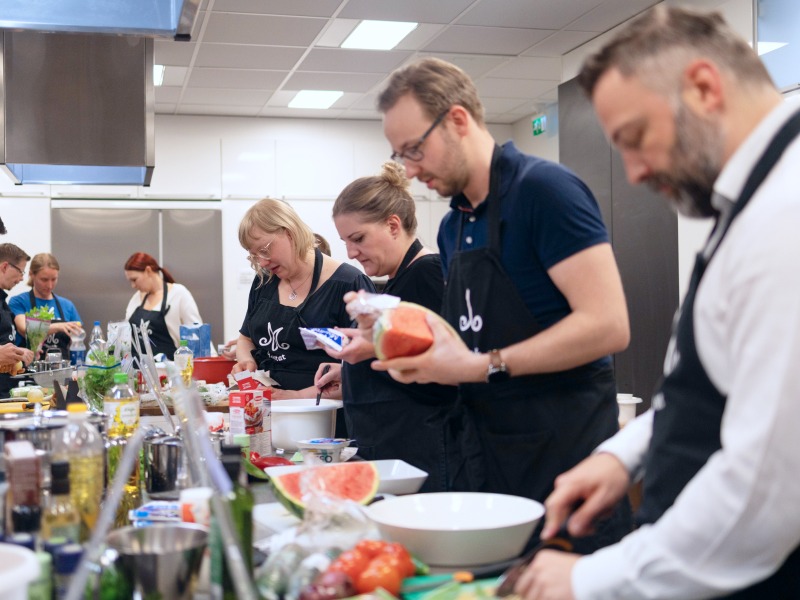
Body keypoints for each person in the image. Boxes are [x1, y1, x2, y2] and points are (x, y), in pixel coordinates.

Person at [514, 6, 800, 599]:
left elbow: (767, 488)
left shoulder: (785, 216)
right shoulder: (749, 202)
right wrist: (624, 456)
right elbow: (720, 392)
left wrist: (590, 578)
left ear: (703, 87)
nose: (636, 172)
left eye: (635, 139)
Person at [372, 57, 631, 550]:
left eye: (413, 150)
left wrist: (481, 367)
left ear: (457, 120)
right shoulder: (453, 226)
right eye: (399, 154)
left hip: (564, 462)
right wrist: (393, 341)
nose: (407, 169)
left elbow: (608, 325)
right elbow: (467, 333)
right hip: (487, 457)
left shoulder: (544, 192)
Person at [313, 162, 458, 492]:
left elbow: (439, 374)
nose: (351, 253)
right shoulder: (394, 283)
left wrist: (369, 351)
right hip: (393, 448)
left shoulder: (426, 275)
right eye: (345, 242)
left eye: (358, 238)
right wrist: (350, 373)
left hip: (419, 451)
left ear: (393, 226)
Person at [233, 198, 373, 402]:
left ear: (289, 233)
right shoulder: (264, 281)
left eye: (264, 250)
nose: (262, 261)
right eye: (254, 256)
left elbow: (363, 370)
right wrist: (246, 360)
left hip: (327, 414)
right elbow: (246, 339)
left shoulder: (348, 284)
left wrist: (296, 397)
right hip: (270, 408)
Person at [124, 252, 203, 360]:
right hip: (138, 371)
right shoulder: (136, 298)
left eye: (134, 280)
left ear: (148, 271)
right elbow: (125, 335)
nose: (133, 286)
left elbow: (198, 334)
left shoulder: (178, 294)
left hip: (169, 370)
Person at [10, 253, 83, 360]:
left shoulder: (67, 305)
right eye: (44, 280)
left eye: (54, 279)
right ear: (31, 274)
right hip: (29, 371)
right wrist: (58, 326)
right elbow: (25, 329)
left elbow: (78, 341)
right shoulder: (18, 302)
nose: (49, 285)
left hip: (63, 370)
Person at [0, 244, 34, 396]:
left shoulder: (4, 304)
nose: (21, 278)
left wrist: (16, 356)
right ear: (5, 266)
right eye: (20, 271)